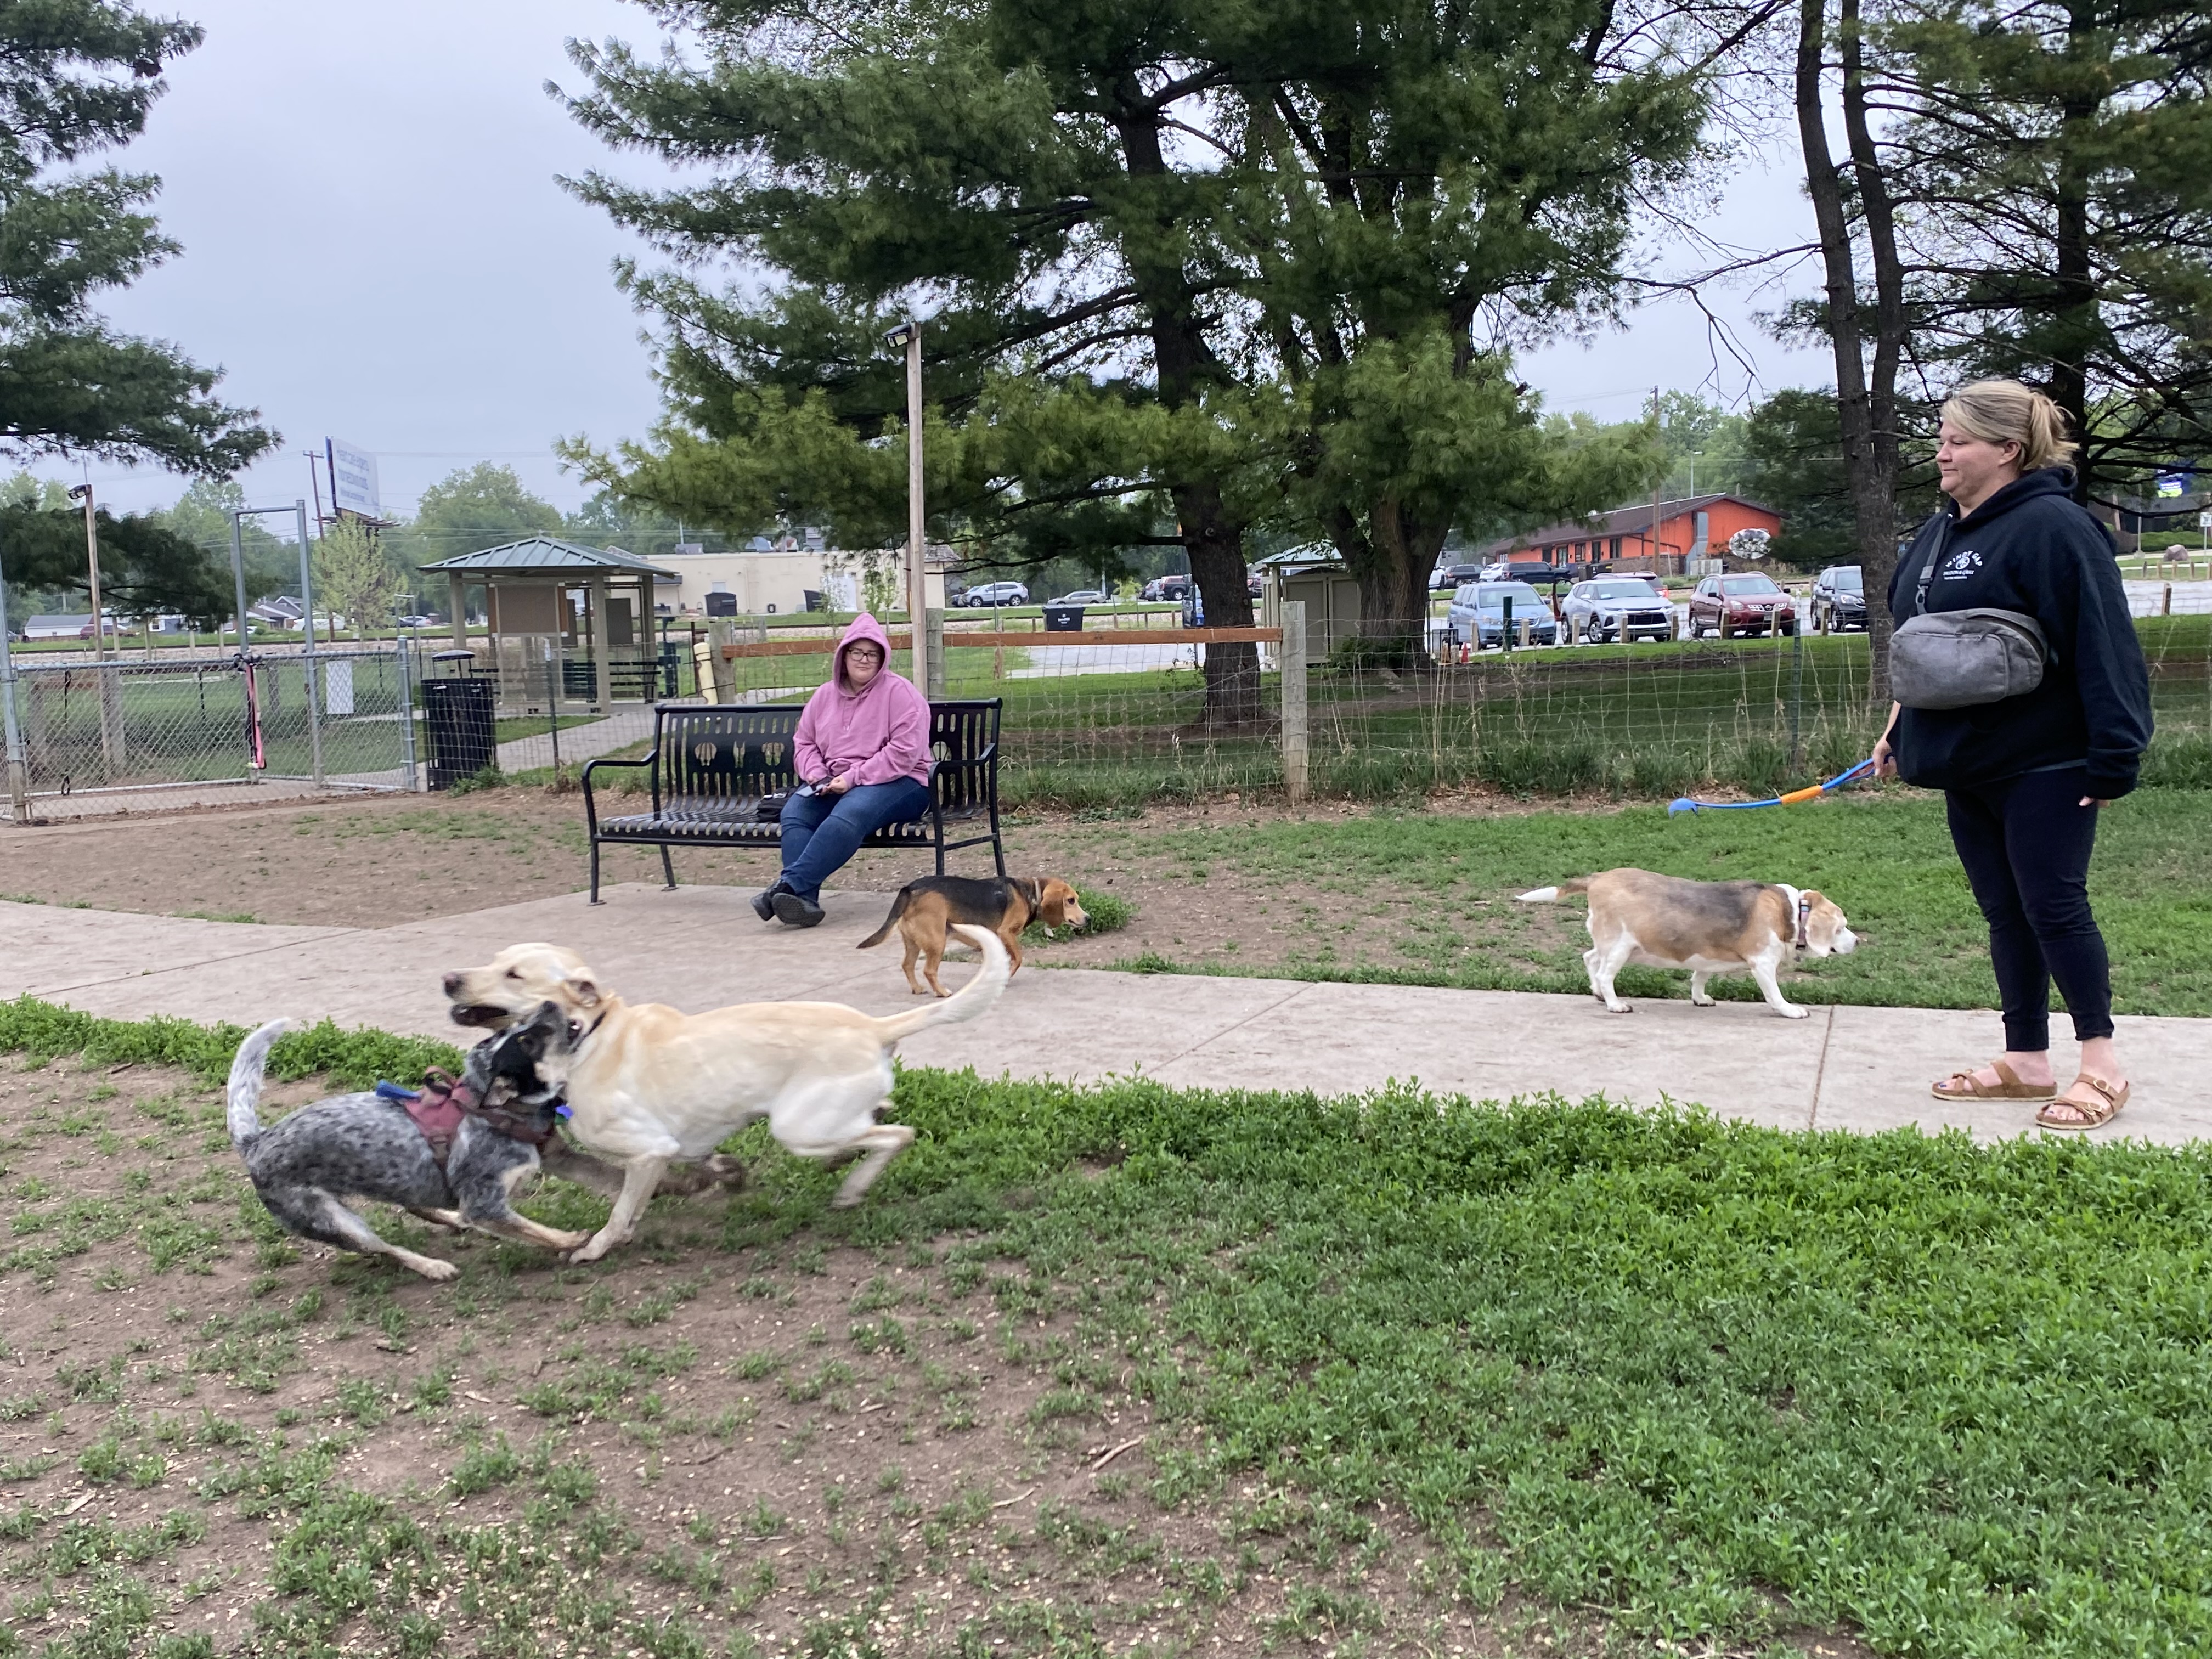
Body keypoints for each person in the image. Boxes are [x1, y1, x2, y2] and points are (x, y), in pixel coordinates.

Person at [1872, 380, 2152, 1130]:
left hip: (2048, 759)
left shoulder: (2056, 528)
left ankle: (2102, 1066)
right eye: (1941, 436)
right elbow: (1922, 645)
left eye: (1957, 439)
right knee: (2005, 911)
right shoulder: (1938, 533)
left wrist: (2114, 754)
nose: (1941, 451)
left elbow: (2104, 645)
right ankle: (2026, 1059)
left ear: (2008, 449)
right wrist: (1898, 726)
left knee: (2054, 905)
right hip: (1967, 760)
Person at [753, 613, 932, 928]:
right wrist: (817, 775)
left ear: (883, 657)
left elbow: (904, 754)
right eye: (857, 652)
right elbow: (804, 742)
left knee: (852, 810)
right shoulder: (824, 696)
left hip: (903, 783)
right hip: (835, 783)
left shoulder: (901, 694)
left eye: (872, 653)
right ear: (844, 655)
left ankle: (786, 886)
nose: (864, 659)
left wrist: (853, 778)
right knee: (796, 810)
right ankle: (803, 901)